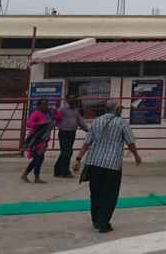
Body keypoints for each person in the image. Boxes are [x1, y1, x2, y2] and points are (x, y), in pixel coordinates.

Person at [74, 100, 141, 233]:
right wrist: (136, 156)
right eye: (120, 108)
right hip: (112, 165)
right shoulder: (122, 123)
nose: (121, 110)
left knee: (96, 193)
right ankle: (104, 223)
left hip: (94, 162)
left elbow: (87, 142)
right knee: (109, 194)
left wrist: (78, 158)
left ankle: (96, 220)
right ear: (116, 109)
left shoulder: (96, 121)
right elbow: (130, 142)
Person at [21, 98, 58, 184]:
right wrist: (39, 124)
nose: (45, 106)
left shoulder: (48, 113)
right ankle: (36, 177)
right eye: (43, 104)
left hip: (44, 139)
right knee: (38, 158)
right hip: (37, 138)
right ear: (38, 105)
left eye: (46, 104)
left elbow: (57, 118)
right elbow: (29, 123)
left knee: (39, 158)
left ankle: (25, 174)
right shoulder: (36, 113)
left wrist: (55, 111)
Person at [54, 94, 88, 178]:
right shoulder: (62, 109)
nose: (72, 101)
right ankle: (65, 172)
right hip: (63, 132)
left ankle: (57, 170)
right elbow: (56, 118)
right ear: (67, 100)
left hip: (72, 133)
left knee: (65, 152)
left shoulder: (76, 110)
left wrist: (87, 129)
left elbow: (80, 120)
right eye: (70, 99)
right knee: (67, 152)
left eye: (74, 99)